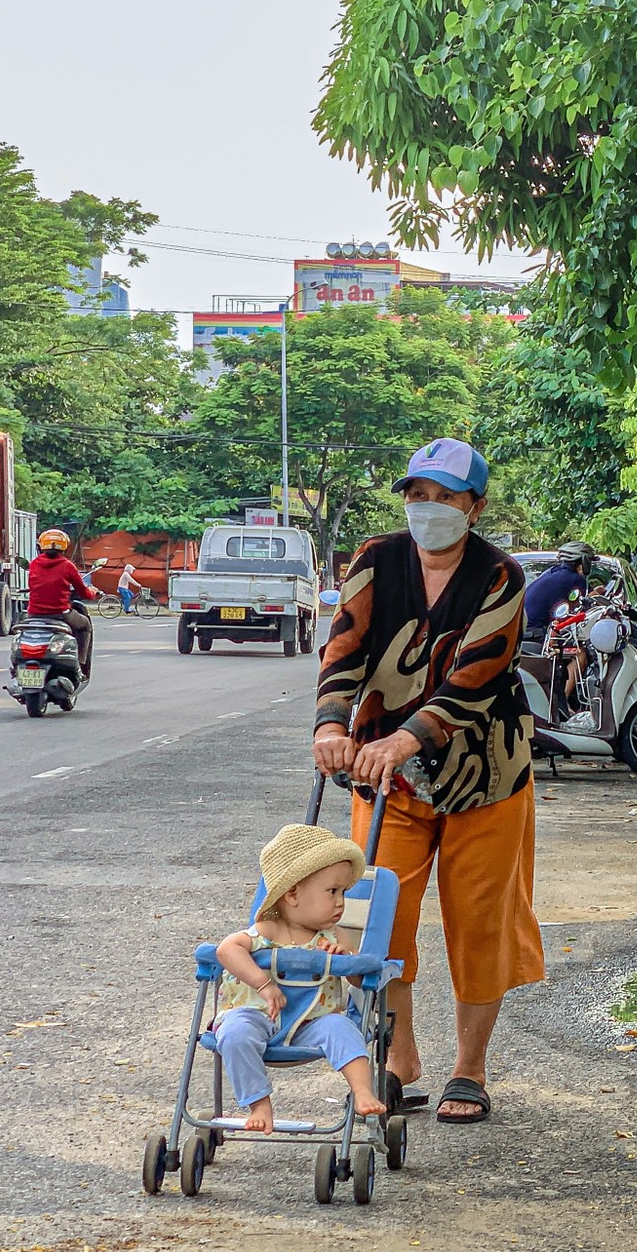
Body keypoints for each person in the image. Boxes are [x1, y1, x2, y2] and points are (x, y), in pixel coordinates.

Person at [312, 438, 542, 1125]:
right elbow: (344, 648)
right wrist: (331, 726)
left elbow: (478, 673)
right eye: (419, 495)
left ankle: (469, 1068)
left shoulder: (501, 576)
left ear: (474, 506)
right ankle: (399, 1056)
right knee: (377, 917)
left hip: (485, 773)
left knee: (480, 922)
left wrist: (409, 734)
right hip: (385, 776)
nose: (429, 509)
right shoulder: (375, 560)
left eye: (446, 498)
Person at [211, 824, 388, 1133]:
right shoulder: (265, 933)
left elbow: (361, 980)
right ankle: (258, 1102)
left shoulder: (333, 935)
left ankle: (362, 1091)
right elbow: (227, 950)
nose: (340, 902)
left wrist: (345, 959)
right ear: (292, 893)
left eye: (343, 892)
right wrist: (263, 984)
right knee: (233, 1034)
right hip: (257, 1016)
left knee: (343, 1028)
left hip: (313, 1023)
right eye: (332, 891)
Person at [25, 529, 97, 681]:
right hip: (61, 614)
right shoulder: (67, 565)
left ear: (42, 546)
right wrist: (92, 593)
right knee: (85, 627)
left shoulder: (34, 564)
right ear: (64, 547)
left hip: (33, 614)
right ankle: (81, 665)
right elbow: (83, 592)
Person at [523, 541, 595, 641]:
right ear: (584, 561)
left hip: (523, 630)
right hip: (537, 632)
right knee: (578, 649)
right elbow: (593, 599)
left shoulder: (551, 572)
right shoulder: (574, 579)